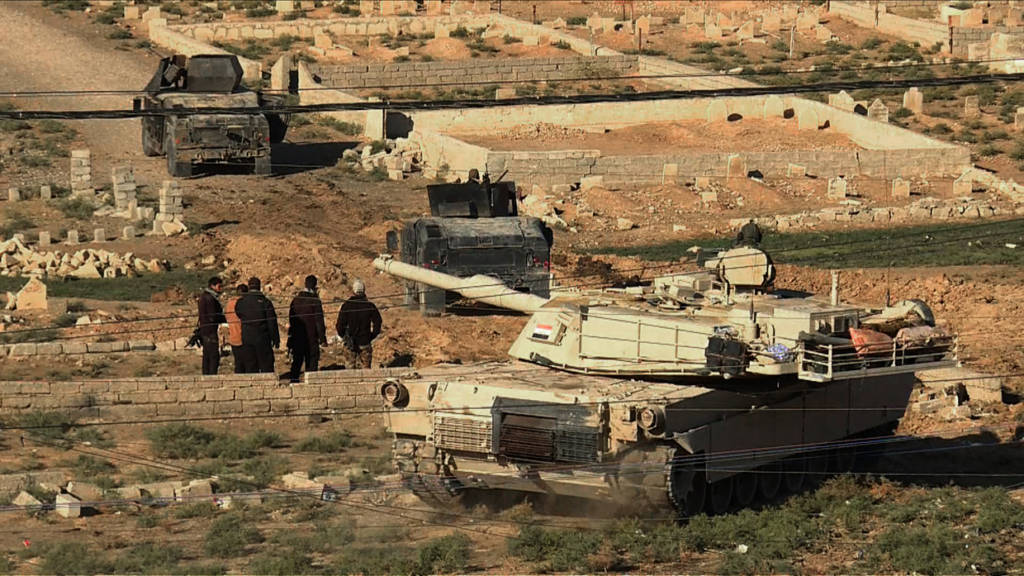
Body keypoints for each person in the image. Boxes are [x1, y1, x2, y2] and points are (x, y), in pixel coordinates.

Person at [235, 277, 280, 374]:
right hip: (262, 337)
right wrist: (275, 339)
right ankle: (267, 386)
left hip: (247, 337)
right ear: (259, 287)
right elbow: (272, 322)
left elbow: (238, 313)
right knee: (266, 364)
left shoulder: (241, 302)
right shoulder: (265, 302)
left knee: (250, 365)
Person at [287, 275, 327, 383]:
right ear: (315, 287)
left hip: (297, 337)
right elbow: (319, 322)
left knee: (297, 362)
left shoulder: (295, 300)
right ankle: (311, 386)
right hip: (311, 338)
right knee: (312, 363)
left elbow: (291, 319)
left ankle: (293, 384)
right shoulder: (315, 301)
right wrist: (323, 339)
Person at [336, 279, 382, 369]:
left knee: (350, 372)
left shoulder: (346, 306)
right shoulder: (369, 306)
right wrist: (371, 336)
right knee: (366, 370)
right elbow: (378, 322)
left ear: (353, 291)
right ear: (364, 291)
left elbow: (339, 325)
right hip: (365, 341)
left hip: (350, 343)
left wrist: (345, 337)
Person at [197, 276, 225, 375]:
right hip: (210, 330)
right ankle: (211, 376)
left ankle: (207, 375)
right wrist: (225, 319)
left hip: (205, 329)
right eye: (219, 286)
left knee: (207, 355)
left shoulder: (204, 296)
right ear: (212, 286)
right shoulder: (210, 298)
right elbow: (213, 316)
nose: (221, 288)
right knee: (213, 356)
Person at [224, 284, 248, 374]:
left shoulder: (229, 303)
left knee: (238, 363)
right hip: (244, 337)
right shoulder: (243, 303)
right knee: (247, 364)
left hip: (233, 337)